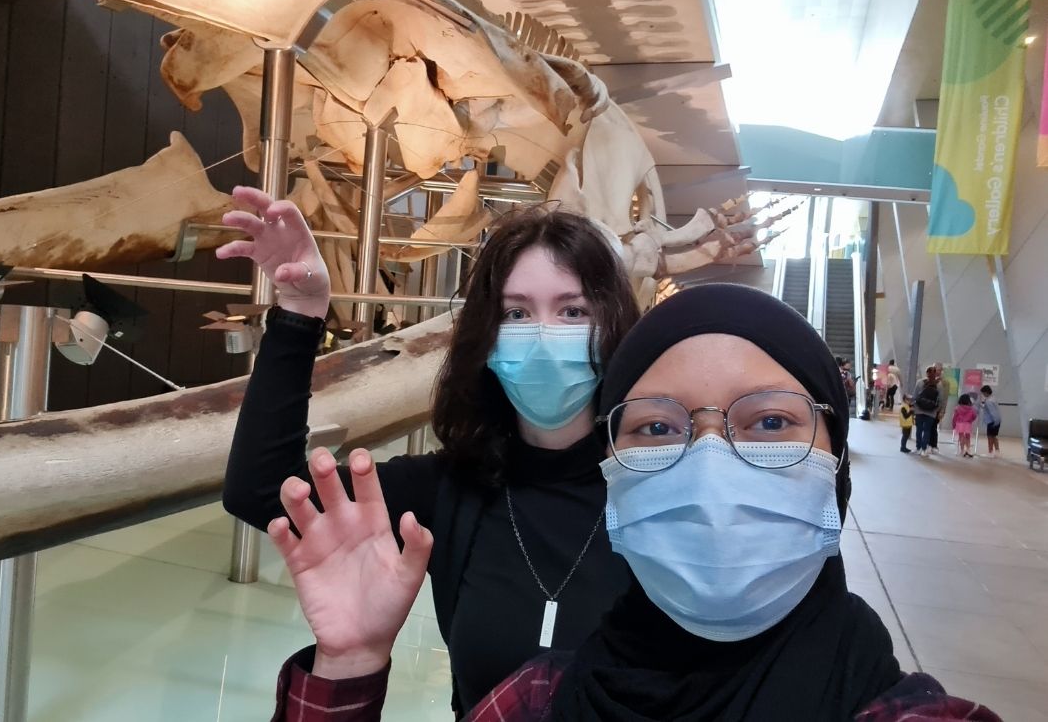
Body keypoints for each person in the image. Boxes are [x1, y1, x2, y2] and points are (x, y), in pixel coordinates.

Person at [267, 285, 999, 721]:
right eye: (656, 428)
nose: (710, 466)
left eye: (771, 421)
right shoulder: (535, 702)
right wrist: (349, 666)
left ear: (835, 460)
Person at [217, 187, 639, 716]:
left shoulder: (656, 490)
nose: (542, 336)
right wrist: (300, 315)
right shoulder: (452, 489)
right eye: (516, 314)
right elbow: (262, 490)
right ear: (487, 337)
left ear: (612, 327)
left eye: (573, 311)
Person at [912, 368, 942, 457]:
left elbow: (915, 396)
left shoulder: (919, 382)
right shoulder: (939, 385)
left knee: (919, 430)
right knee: (927, 430)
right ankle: (924, 450)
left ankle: (918, 448)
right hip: (931, 412)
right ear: (935, 374)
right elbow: (940, 400)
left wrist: (914, 407)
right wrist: (937, 410)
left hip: (919, 410)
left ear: (926, 373)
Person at [979, 385, 1002, 456]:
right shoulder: (993, 398)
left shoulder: (988, 401)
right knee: (994, 436)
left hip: (992, 421)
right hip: (997, 420)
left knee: (990, 437)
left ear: (986, 392)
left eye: (983, 393)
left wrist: (995, 422)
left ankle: (990, 452)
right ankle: (997, 451)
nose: (983, 394)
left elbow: (992, 412)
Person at [952, 394, 977, 458]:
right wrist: (970, 420)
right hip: (968, 424)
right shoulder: (971, 408)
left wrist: (953, 424)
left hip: (959, 424)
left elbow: (954, 417)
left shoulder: (957, 408)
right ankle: (968, 450)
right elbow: (974, 416)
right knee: (968, 437)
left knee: (961, 437)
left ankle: (962, 450)